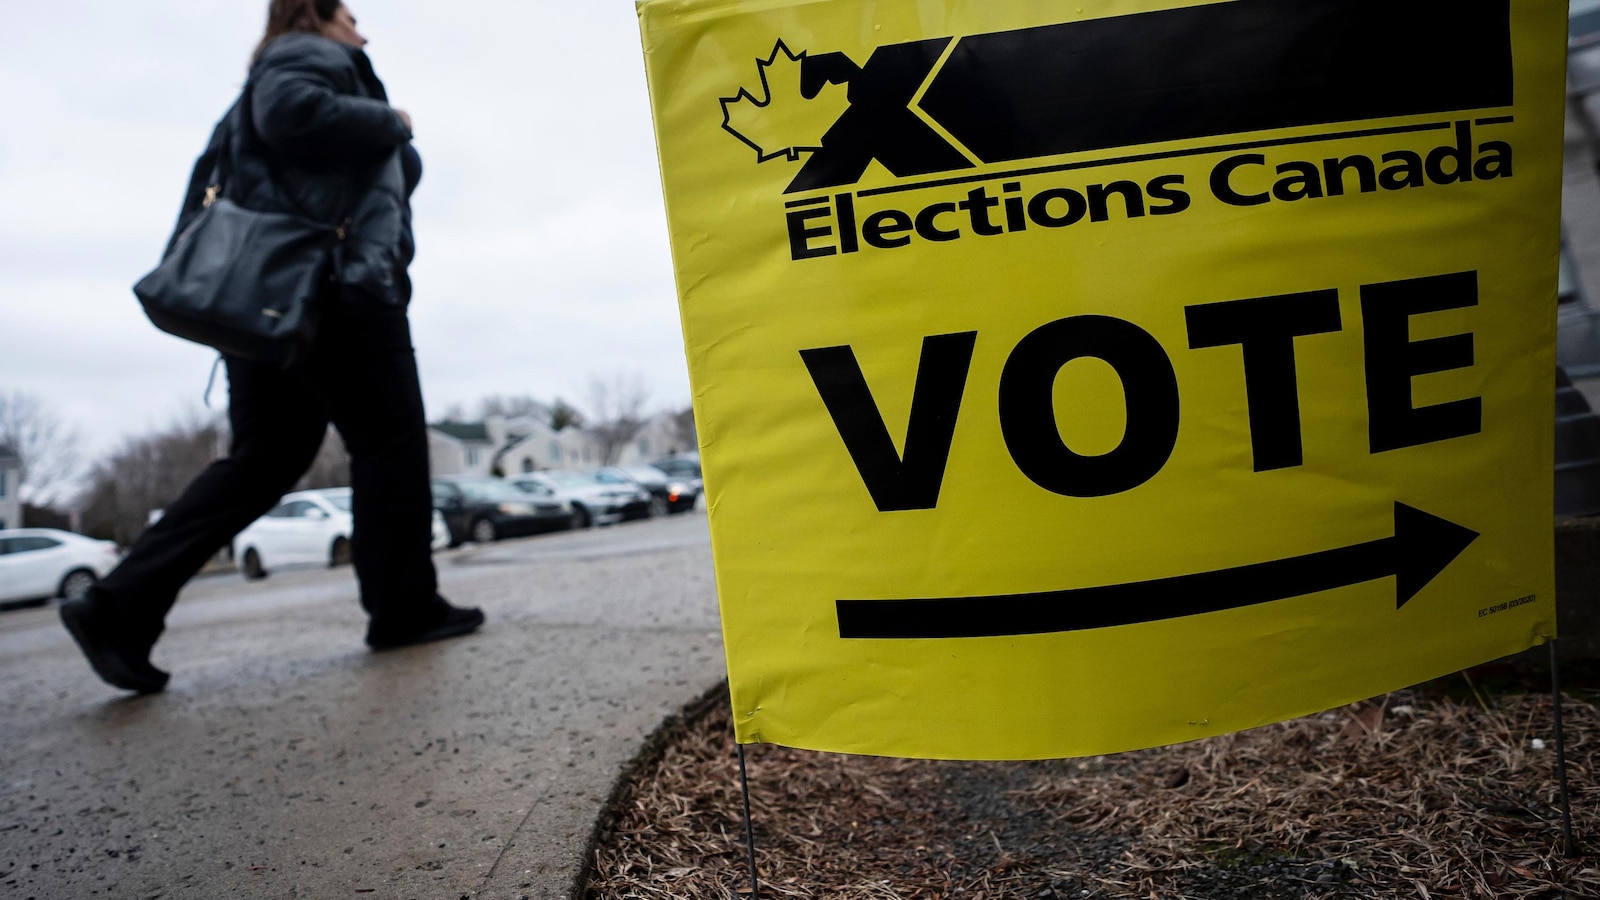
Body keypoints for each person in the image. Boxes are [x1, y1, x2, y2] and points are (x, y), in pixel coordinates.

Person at [61, 0, 483, 694]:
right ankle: (404, 608)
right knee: (390, 440)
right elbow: (293, 114)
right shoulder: (307, 54)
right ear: (316, 14)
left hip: (267, 297)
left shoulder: (269, 70)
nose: (362, 32)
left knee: (267, 456)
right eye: (350, 17)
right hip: (332, 288)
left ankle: (118, 609)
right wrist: (392, 121)